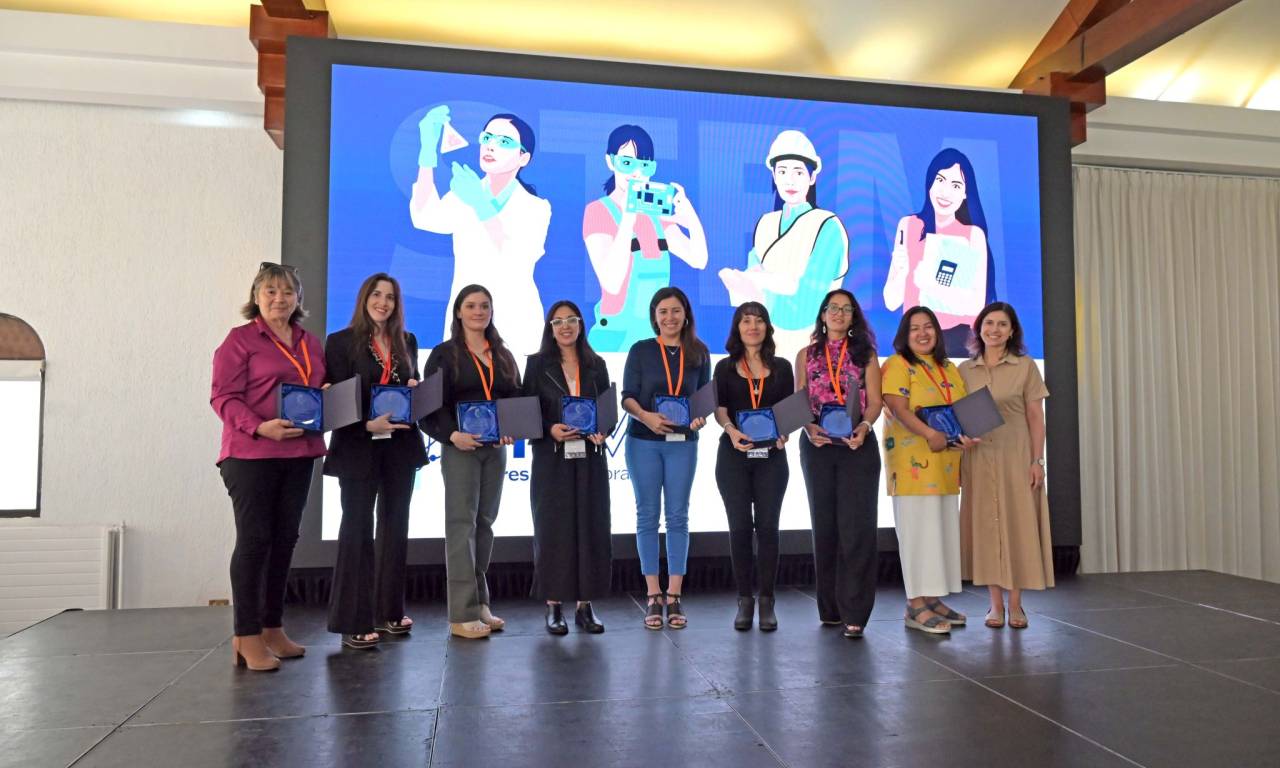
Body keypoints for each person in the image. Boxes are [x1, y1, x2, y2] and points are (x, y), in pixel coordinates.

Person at [211, 263, 325, 671]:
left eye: (288, 292)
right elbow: (223, 398)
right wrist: (260, 427)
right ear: (256, 296)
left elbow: (316, 390)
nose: (280, 299)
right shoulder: (240, 341)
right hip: (250, 454)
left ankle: (273, 626)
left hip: (299, 454)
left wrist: (328, 398)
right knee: (255, 542)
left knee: (284, 541)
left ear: (298, 299)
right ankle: (246, 635)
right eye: (271, 291)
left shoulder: (309, 342)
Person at [323, 273, 428, 649]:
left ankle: (389, 612)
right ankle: (353, 620)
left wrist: (417, 391)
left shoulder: (408, 342)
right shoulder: (339, 343)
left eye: (391, 297)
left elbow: (411, 387)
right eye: (377, 295)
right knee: (356, 531)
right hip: (357, 444)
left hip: (400, 446)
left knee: (395, 529)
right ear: (364, 298)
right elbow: (333, 397)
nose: (384, 302)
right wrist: (367, 423)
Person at [422, 285, 521, 639]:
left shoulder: (503, 355)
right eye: (471, 305)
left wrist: (512, 428)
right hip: (460, 447)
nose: (479, 311)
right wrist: (451, 435)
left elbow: (514, 399)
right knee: (461, 526)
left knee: (485, 523)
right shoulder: (444, 355)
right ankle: (461, 613)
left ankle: (480, 603)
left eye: (485, 305)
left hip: (495, 449)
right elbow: (430, 407)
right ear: (458, 312)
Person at [411, 108, 551, 355]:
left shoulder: (536, 207)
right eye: (486, 138)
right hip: (465, 324)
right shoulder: (466, 195)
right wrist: (426, 151)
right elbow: (424, 216)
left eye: (504, 142)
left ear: (523, 158)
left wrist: (480, 204)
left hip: (515, 326)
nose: (490, 146)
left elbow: (517, 257)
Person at [881, 305, 980, 634]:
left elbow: (960, 412)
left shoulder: (949, 367)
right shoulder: (898, 365)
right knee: (918, 536)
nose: (922, 334)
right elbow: (897, 408)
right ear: (903, 336)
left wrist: (965, 437)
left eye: (928, 327)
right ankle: (915, 605)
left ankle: (932, 599)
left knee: (940, 535)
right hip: (912, 469)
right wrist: (929, 434)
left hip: (947, 466)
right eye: (914, 329)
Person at [958, 302, 1053, 629]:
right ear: (979, 328)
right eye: (988, 323)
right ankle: (994, 606)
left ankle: (1016, 605)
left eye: (1001, 324)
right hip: (979, 457)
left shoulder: (1025, 366)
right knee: (985, 529)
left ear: (1012, 331)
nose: (994, 330)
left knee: (1017, 527)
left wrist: (1037, 460)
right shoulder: (964, 371)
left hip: (1015, 455)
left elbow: (1035, 417)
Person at [621, 287, 710, 629]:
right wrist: (646, 416)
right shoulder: (641, 350)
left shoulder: (700, 353)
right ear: (654, 316)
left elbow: (704, 400)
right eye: (663, 311)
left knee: (677, 517)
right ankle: (652, 594)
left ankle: (674, 595)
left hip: (683, 443)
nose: (669, 318)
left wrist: (701, 416)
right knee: (647, 516)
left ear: (685, 314)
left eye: (675, 311)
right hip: (644, 440)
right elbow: (628, 397)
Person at [795, 289, 882, 638]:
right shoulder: (806, 354)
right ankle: (829, 608)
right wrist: (808, 426)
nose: (839, 314)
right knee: (825, 527)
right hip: (817, 445)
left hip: (856, 445)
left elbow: (874, 402)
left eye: (846, 309)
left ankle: (855, 611)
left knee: (857, 529)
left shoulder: (866, 355)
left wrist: (864, 427)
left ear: (853, 317)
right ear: (823, 313)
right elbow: (800, 400)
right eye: (833, 308)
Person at [523, 300, 612, 635]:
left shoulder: (597, 365)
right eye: (558, 321)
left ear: (580, 325)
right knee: (554, 530)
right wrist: (549, 429)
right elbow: (528, 410)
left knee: (591, 527)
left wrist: (604, 430)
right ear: (550, 327)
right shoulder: (536, 365)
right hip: (552, 458)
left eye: (571, 320)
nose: (565, 327)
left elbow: (607, 411)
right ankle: (554, 605)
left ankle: (585, 606)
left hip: (590, 458)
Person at [720, 130, 849, 360]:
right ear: (774, 176)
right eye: (782, 171)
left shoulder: (828, 226)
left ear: (812, 177)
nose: (789, 180)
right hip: (763, 347)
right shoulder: (765, 224)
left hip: (812, 347)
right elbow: (750, 298)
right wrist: (739, 284)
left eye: (798, 172)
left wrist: (759, 280)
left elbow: (809, 300)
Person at [584, 124, 708, 352]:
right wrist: (629, 217)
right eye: (627, 162)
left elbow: (698, 259)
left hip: (657, 339)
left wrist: (690, 215)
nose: (636, 172)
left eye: (644, 165)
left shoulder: (656, 215)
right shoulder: (597, 211)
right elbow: (611, 282)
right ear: (610, 161)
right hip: (613, 338)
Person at [713, 302, 793, 631]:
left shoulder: (784, 366)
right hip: (734, 455)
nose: (753, 327)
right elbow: (720, 409)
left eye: (759, 321)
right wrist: (731, 431)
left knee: (769, 528)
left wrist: (785, 432)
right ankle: (745, 600)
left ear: (767, 327)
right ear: (737, 328)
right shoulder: (724, 367)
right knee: (741, 529)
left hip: (772, 457)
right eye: (746, 321)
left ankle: (767, 601)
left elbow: (789, 410)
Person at [882, 148, 996, 356]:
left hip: (957, 341)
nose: (945, 192)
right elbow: (891, 302)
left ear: (965, 193)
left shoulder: (973, 235)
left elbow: (976, 306)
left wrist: (928, 284)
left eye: (956, 185)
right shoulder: (909, 225)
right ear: (930, 183)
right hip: (913, 339)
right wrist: (901, 270)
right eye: (940, 180)